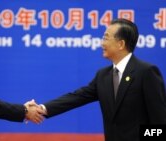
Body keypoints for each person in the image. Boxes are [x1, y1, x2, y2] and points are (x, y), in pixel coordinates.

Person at [38, 18, 166, 141]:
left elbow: (160, 122)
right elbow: (76, 97)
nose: (102, 43)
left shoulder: (146, 72)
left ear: (121, 44)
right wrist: (42, 109)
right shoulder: (103, 76)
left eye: (106, 38)